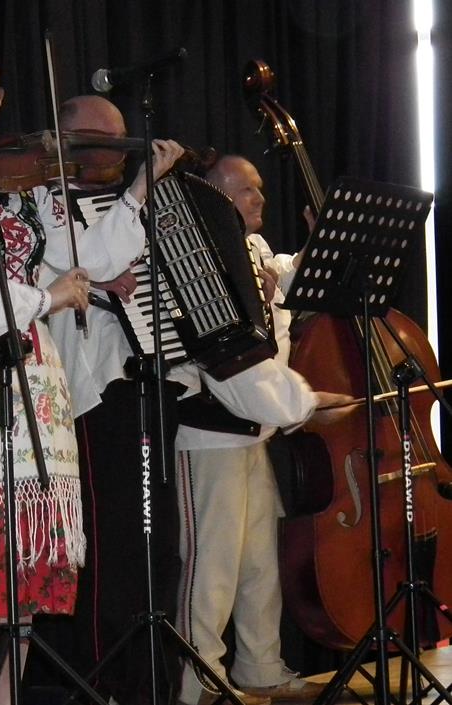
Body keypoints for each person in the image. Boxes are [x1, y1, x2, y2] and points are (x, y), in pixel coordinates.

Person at [0, 45, 183, 705]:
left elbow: (89, 258)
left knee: (23, 564)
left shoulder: (16, 187)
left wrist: (138, 191)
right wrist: (44, 299)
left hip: (31, 380)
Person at [173, 154, 351, 705]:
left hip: (257, 431)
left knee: (259, 562)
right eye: (246, 190)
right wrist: (303, 405)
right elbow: (224, 357)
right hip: (211, 435)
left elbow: (294, 279)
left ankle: (259, 666)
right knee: (213, 565)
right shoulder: (203, 260)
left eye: (259, 189)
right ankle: (200, 681)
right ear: (216, 197)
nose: (260, 199)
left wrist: (321, 244)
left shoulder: (254, 251)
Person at [28, 94, 186, 705]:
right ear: (65, 137)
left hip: (147, 380)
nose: (116, 155)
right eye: (104, 141)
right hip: (90, 389)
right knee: (109, 547)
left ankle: (151, 682)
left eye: (122, 141)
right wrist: (99, 270)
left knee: (156, 546)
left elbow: (117, 262)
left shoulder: (120, 204)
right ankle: (102, 681)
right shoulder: (39, 199)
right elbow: (83, 263)